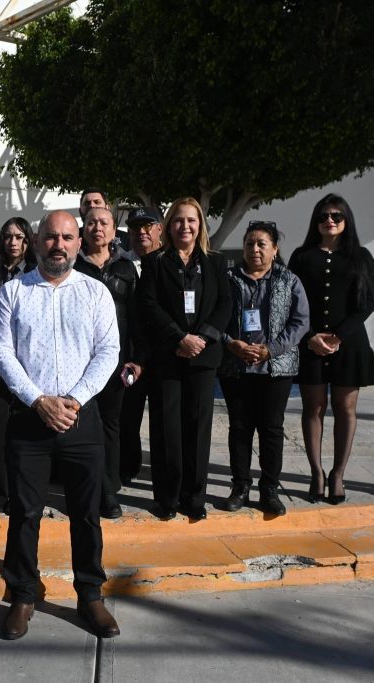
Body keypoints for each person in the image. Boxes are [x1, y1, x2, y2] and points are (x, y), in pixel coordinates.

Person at [0, 210, 121, 640]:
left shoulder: (95, 292)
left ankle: (90, 595)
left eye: (67, 237)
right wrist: (39, 400)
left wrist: (73, 400)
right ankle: (23, 595)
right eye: (51, 237)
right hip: (29, 419)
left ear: (79, 241)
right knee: (25, 513)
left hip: (81, 419)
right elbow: (2, 352)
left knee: (86, 514)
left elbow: (108, 352)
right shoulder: (13, 292)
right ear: (36, 240)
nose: (59, 245)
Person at [138, 197, 232, 521]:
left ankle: (194, 499)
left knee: (197, 429)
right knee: (166, 431)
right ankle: (166, 498)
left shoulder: (216, 263)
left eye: (191, 220)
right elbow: (148, 305)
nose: (185, 226)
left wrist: (201, 338)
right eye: (178, 220)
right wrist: (179, 338)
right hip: (168, 355)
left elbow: (224, 306)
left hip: (203, 358)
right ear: (168, 226)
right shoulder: (154, 262)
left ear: (200, 225)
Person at [288, 195, 374, 504]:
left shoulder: (361, 256)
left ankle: (338, 474)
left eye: (337, 215)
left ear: (346, 220)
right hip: (310, 343)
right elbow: (291, 299)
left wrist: (338, 336)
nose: (330, 220)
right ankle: (317, 473)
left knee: (345, 409)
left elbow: (368, 302)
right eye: (324, 215)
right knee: (313, 408)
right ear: (316, 221)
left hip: (349, 344)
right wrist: (311, 336)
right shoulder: (302, 256)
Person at [217, 221, 309, 516]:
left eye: (261, 244)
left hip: (276, 368)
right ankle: (240, 486)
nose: (254, 249)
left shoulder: (288, 280)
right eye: (249, 244)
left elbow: (300, 322)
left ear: (274, 249)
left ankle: (269, 488)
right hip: (236, 365)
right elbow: (214, 318)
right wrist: (232, 344)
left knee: (271, 429)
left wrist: (271, 349)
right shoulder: (228, 279)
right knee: (240, 429)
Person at [73, 207, 139, 519]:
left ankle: (108, 489)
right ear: (83, 229)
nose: (97, 228)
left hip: (116, 362)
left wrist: (135, 359)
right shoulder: (73, 266)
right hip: (80, 363)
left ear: (114, 230)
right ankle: (90, 488)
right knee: (85, 427)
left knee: (112, 426)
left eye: (104, 223)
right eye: (91, 223)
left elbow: (138, 317)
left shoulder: (126, 268)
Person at [0, 217, 37, 513]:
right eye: (8, 237)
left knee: (23, 435)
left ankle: (20, 491)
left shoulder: (36, 273)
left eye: (19, 237)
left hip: (26, 361)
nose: (13, 242)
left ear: (28, 242)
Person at [121, 207, 164, 485]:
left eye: (148, 226)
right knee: (128, 418)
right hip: (132, 357)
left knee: (163, 422)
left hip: (163, 356)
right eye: (136, 227)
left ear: (160, 228)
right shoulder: (121, 265)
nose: (142, 232)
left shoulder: (170, 263)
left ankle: (163, 471)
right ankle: (128, 467)